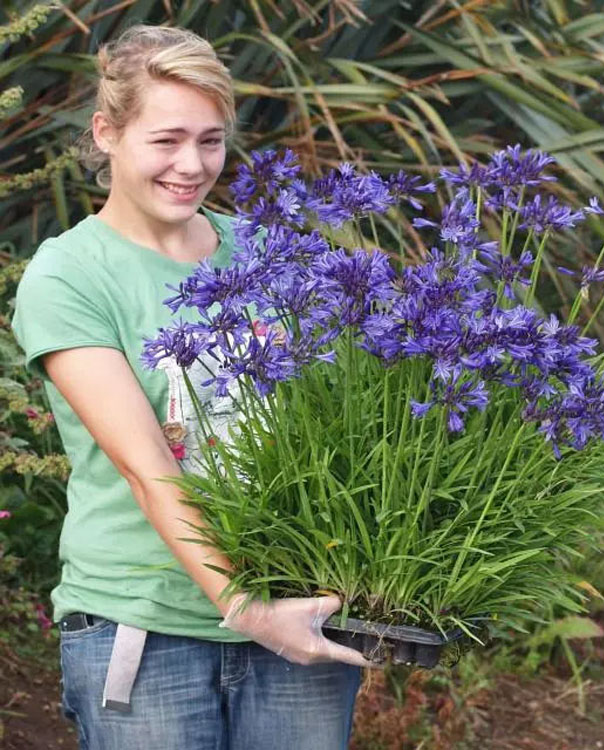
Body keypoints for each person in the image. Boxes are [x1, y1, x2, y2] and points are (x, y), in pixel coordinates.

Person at [11, 23, 371, 750]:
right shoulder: (69, 276)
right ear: (107, 132)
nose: (192, 164)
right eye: (167, 139)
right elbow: (149, 470)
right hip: (144, 626)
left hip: (294, 608)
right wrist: (245, 609)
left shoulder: (269, 252)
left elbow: (340, 434)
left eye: (211, 141)